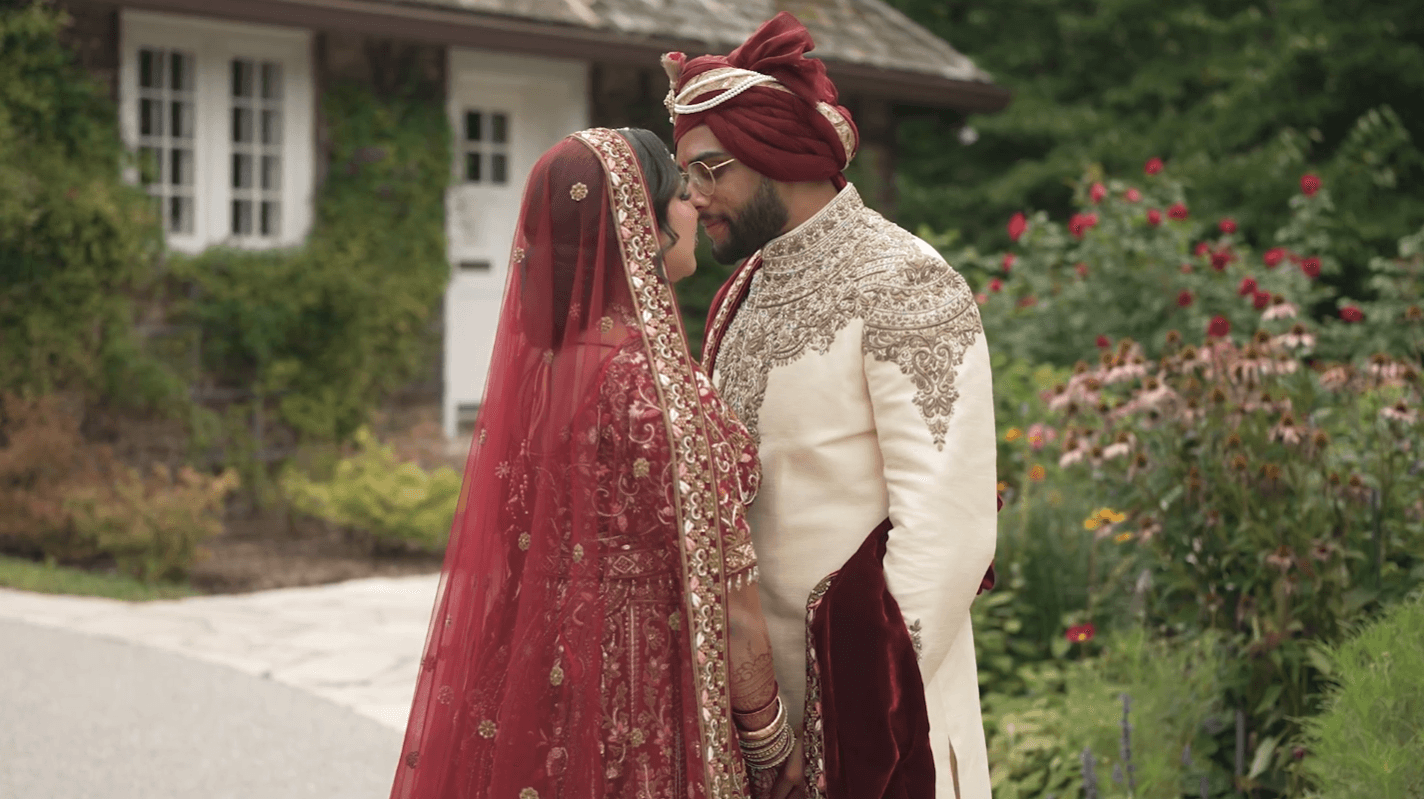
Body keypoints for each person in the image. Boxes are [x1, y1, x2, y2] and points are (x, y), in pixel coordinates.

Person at [389, 128, 803, 799]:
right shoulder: (660, 392)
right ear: (638, 226)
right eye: (679, 194)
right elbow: (732, 599)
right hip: (644, 696)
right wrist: (768, 737)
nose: (696, 205)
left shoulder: (544, 375)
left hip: (540, 683)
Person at [663, 14, 999, 799]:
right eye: (689, 177)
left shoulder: (906, 279)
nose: (696, 197)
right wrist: (754, 721)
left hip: (875, 732)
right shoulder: (743, 291)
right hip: (758, 731)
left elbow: (951, 530)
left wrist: (844, 733)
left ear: (777, 153)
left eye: (711, 170)